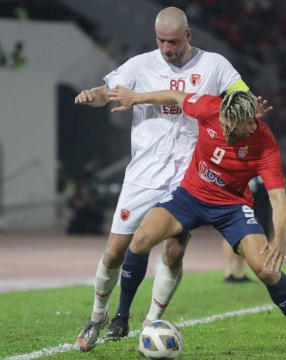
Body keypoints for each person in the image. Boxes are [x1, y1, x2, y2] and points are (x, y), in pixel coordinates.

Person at [72, 6, 253, 352]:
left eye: (173, 41)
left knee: (173, 252)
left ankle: (150, 323)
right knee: (114, 253)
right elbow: (106, 91)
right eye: (161, 41)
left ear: (188, 36)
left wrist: (247, 103)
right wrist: (92, 96)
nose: (167, 48)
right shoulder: (141, 65)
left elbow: (240, 92)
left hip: (187, 177)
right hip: (143, 175)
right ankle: (98, 318)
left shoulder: (213, 64)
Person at [108, 86, 286, 359]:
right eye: (223, 126)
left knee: (267, 269)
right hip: (189, 196)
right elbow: (176, 96)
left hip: (231, 207)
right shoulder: (210, 107)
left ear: (251, 121)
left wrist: (279, 240)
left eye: (233, 129)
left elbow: (279, 200)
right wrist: (136, 98)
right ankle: (120, 317)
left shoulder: (265, 145)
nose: (226, 133)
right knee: (141, 238)